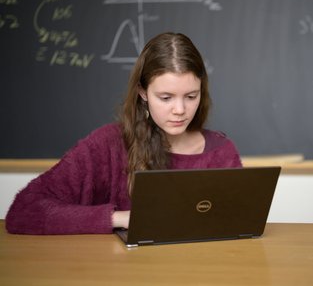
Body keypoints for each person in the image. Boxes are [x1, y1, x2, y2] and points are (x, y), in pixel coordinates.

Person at [5, 32, 242, 234]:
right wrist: (120, 219)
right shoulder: (107, 144)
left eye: (191, 96)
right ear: (143, 92)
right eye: (166, 97)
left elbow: (240, 223)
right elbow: (24, 211)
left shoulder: (222, 152)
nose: (180, 110)